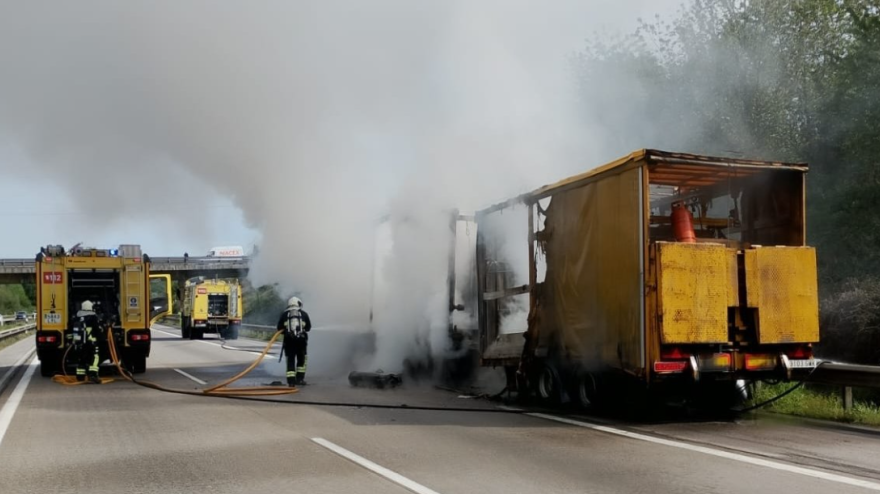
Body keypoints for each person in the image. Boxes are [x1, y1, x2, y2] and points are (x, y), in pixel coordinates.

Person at [276, 296, 312, 387]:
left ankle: (291, 382)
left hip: (289, 341)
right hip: (301, 341)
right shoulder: (304, 314)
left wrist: (287, 332)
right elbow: (308, 328)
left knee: (290, 360)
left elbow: (279, 328)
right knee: (301, 360)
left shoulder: (284, 315)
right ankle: (300, 379)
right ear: (298, 303)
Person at [74, 300, 102, 383]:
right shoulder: (92, 317)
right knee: (95, 357)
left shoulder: (78, 316)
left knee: (82, 359)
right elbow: (96, 330)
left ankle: (80, 376)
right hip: (91, 342)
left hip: (79, 343)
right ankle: (93, 375)